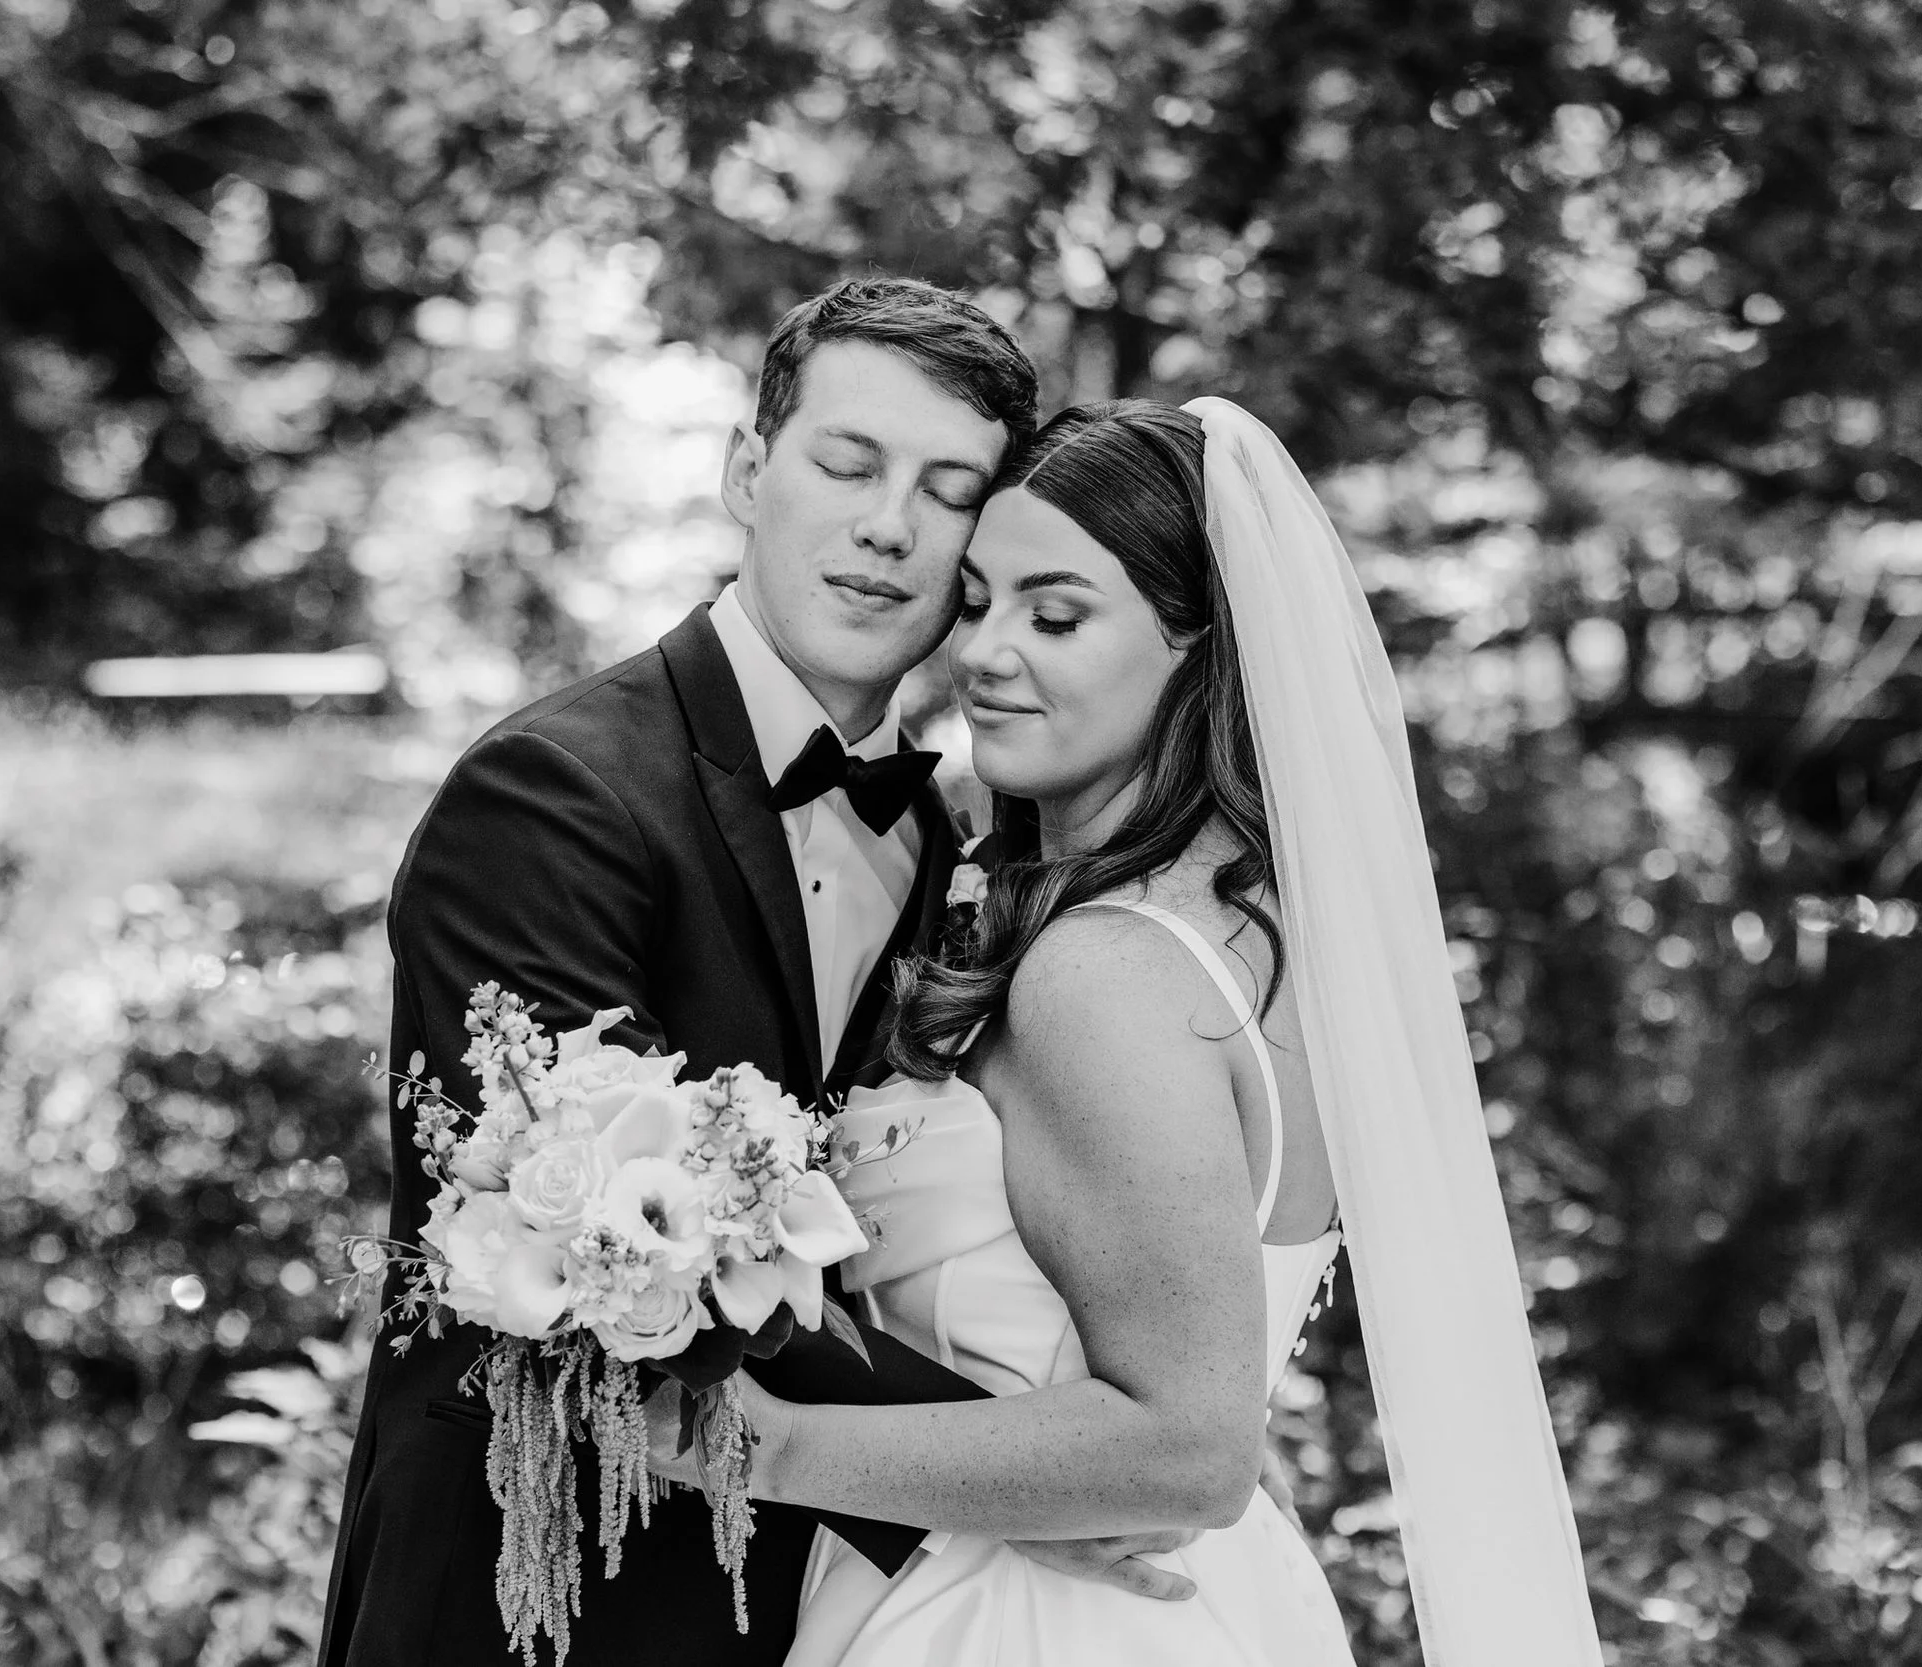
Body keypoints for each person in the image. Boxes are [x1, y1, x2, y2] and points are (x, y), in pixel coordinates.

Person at [320, 281, 1220, 1667]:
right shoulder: (553, 792)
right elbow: (596, 1248)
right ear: (750, 469)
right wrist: (1035, 1466)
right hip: (532, 1584)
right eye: (847, 463)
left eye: (948, 489)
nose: (887, 524)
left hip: (801, 1593)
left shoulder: (945, 836)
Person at [652, 399, 1606, 1666]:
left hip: (1024, 1622)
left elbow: (1185, 1447)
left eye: (1054, 614)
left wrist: (749, 1442)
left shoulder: (1102, 973)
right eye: (977, 599)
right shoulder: (1255, 931)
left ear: (1198, 653)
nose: (984, 651)